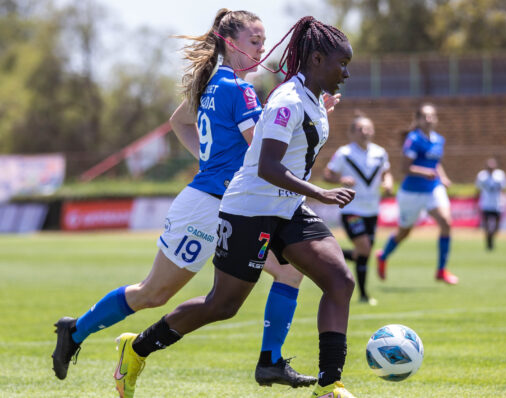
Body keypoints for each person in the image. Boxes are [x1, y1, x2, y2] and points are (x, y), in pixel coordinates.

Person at [52, 9, 317, 390]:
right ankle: (75, 330)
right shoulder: (238, 89)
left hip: (238, 206)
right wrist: (311, 119)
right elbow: (261, 149)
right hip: (207, 206)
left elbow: (179, 123)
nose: (262, 48)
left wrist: (211, 160)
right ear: (230, 43)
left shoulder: (214, 83)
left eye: (263, 40)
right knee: (152, 293)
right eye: (255, 41)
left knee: (290, 271)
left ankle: (271, 362)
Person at [112, 16, 358, 398]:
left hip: (286, 208)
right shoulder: (287, 101)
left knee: (339, 280)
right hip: (249, 209)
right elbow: (267, 166)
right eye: (341, 64)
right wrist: (320, 193)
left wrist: (322, 113)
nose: (345, 73)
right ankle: (137, 348)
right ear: (317, 61)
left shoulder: (309, 100)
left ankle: (330, 385)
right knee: (222, 305)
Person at [376, 103, 459, 284]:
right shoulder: (413, 139)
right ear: (419, 120)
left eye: (432, 116)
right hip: (411, 193)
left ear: (436, 119)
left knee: (446, 222)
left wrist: (442, 178)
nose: (429, 119)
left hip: (433, 189)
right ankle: (383, 256)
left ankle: (441, 270)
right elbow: (405, 168)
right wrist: (424, 172)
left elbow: (436, 163)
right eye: (425, 117)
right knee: (404, 233)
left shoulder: (439, 140)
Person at [323, 112, 393, 305]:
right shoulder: (345, 153)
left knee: (364, 253)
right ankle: (362, 294)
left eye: (368, 129)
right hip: (351, 210)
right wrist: (340, 179)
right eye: (361, 129)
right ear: (352, 133)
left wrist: (387, 183)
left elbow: (387, 173)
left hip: (372, 210)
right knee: (364, 248)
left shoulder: (380, 152)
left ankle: (361, 293)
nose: (365, 132)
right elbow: (327, 175)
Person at [475, 158, 506, 250]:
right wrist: (476, 202)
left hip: (497, 204)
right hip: (485, 204)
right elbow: (477, 190)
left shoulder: (500, 175)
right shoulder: (481, 176)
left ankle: (492, 238)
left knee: (497, 226)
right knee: (486, 226)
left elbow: (504, 189)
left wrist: (504, 200)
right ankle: (489, 243)